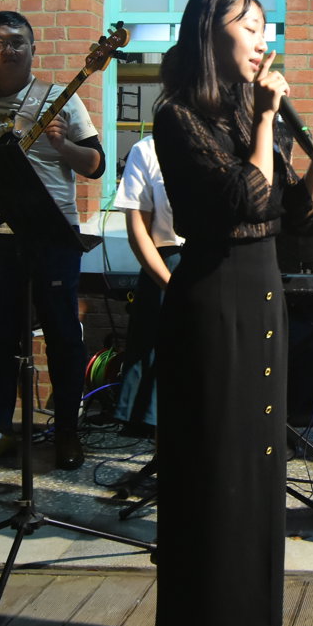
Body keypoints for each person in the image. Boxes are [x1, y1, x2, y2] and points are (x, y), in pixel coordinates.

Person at [150, 0, 313, 626]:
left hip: (261, 289)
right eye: (252, 27)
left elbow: (296, 214)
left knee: (261, 466)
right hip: (213, 300)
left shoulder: (245, 106)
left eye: (267, 27)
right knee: (217, 470)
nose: (265, 41)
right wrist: (269, 119)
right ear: (211, 34)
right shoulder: (177, 115)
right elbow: (247, 198)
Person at [0, 11, 105, 473]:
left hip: (52, 235)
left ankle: (67, 430)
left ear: (33, 49)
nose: (9, 50)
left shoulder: (61, 99)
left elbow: (95, 165)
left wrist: (63, 146)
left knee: (63, 336)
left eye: (18, 42)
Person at [110, 134, 182, 435]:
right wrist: (169, 284)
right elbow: (138, 229)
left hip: (220, 264)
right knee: (157, 349)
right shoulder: (148, 149)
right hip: (166, 263)